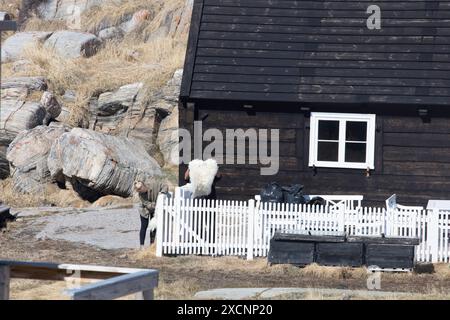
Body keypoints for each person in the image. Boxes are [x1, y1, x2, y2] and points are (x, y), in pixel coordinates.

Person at [134, 179, 168, 249]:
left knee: (153, 226)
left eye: (141, 189)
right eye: (139, 190)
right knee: (144, 226)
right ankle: (142, 246)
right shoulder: (141, 195)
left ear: (143, 185)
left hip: (155, 208)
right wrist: (158, 204)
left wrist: (162, 193)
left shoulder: (154, 185)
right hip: (144, 210)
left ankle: (151, 245)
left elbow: (165, 186)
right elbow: (148, 205)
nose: (140, 191)